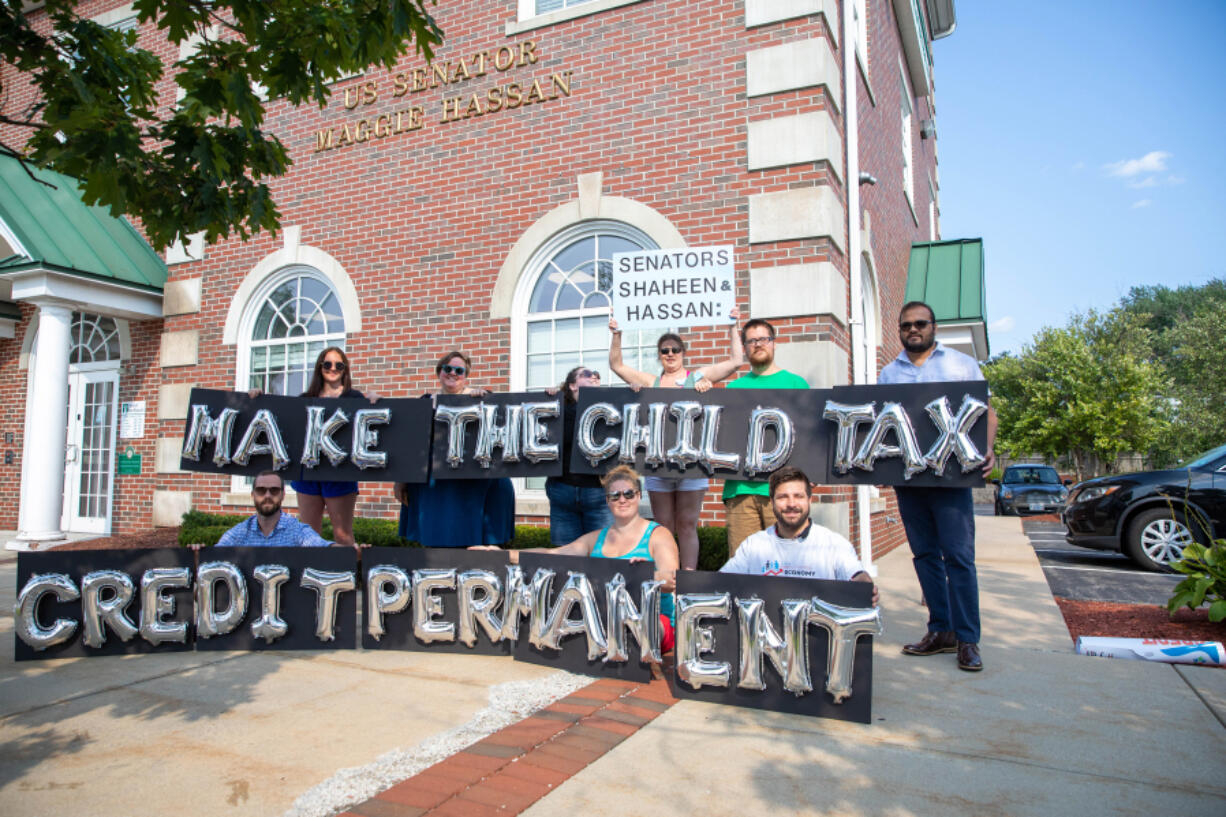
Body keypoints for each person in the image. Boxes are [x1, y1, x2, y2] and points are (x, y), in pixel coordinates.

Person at [878, 300, 997, 673]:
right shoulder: (888, 373)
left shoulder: (961, 364)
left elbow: (986, 411)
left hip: (952, 476)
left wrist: (988, 450)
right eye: (906, 325)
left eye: (920, 324)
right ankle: (940, 630)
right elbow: (883, 422)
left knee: (958, 557)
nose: (913, 330)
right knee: (925, 556)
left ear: (934, 327)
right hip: (910, 479)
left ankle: (967, 639)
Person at [473, 464, 680, 651]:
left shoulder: (658, 535)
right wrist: (502, 554)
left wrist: (648, 577)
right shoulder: (595, 539)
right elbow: (553, 554)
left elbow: (672, 580)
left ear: (638, 496)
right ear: (607, 500)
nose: (622, 500)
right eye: (615, 496)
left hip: (653, 620)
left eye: (628, 493)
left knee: (641, 625)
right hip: (605, 621)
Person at [608, 310, 745, 570]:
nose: (670, 354)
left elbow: (737, 361)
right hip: (659, 464)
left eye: (675, 350)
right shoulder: (652, 381)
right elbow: (617, 366)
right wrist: (617, 335)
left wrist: (732, 325)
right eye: (665, 350)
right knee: (664, 526)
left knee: (687, 524)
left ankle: (688, 576)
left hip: (691, 463)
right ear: (659, 355)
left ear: (683, 353)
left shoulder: (697, 378)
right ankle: (667, 574)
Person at [394, 351, 516, 548]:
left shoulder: (482, 399)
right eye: (447, 368)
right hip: (436, 487)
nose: (453, 373)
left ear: (466, 376)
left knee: (475, 546)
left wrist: (481, 401)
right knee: (435, 542)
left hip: (474, 485)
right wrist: (401, 481)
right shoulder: (424, 402)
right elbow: (412, 444)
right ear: (439, 372)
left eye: (459, 370)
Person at [721, 466, 878, 606]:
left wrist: (862, 584)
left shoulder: (834, 543)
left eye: (798, 496)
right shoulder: (752, 545)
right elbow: (723, 583)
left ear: (810, 500)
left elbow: (854, 572)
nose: (791, 503)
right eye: (783, 497)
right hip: (739, 484)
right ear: (773, 501)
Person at [721, 318, 809, 556]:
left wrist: (812, 474)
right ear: (745, 347)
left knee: (789, 561)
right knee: (744, 565)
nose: (758, 344)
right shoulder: (732, 390)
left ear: (774, 343)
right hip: (740, 491)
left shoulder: (796, 383)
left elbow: (810, 435)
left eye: (763, 339)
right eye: (751, 341)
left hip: (782, 492)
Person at [545, 366, 614, 545]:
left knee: (602, 553)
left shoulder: (610, 409)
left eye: (596, 374)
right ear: (573, 385)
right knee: (565, 554)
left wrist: (634, 389)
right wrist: (549, 398)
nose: (593, 376)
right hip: (563, 490)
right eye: (586, 374)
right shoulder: (558, 409)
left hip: (597, 491)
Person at [216, 470, 335, 547]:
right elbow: (215, 557)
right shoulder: (240, 533)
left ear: (283, 495)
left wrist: (343, 550)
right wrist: (198, 554)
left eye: (274, 490)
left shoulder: (296, 530)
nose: (267, 496)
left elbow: (320, 545)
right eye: (261, 490)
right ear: (253, 495)